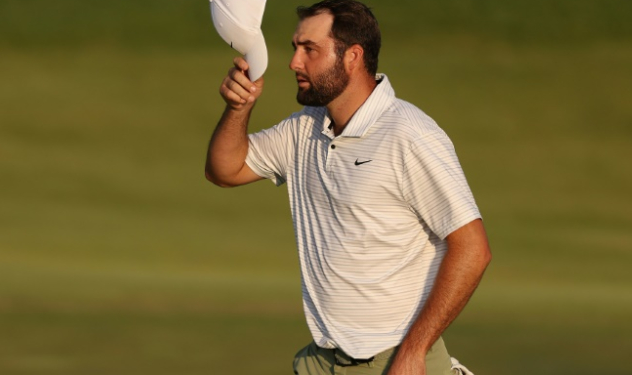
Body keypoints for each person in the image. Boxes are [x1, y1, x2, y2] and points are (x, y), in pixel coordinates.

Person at [205, 1, 492, 374]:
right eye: (295, 47)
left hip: (397, 361)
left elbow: (473, 248)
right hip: (323, 360)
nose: (294, 62)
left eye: (309, 49)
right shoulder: (303, 129)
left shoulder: (409, 134)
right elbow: (224, 170)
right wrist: (238, 108)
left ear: (352, 57)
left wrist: (414, 351)